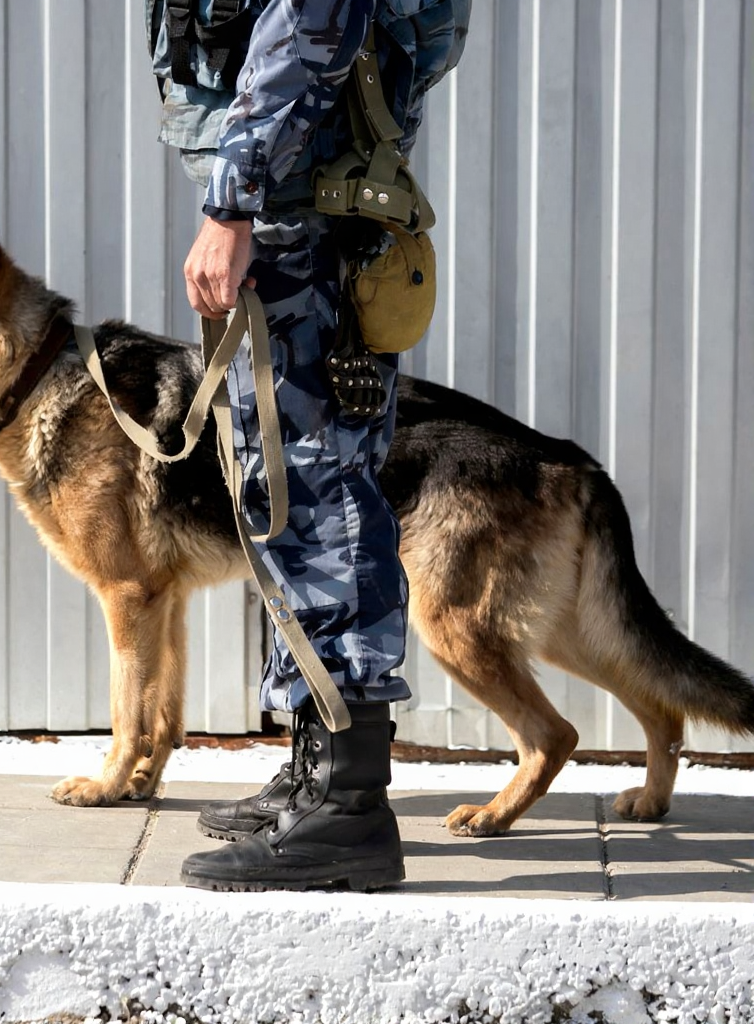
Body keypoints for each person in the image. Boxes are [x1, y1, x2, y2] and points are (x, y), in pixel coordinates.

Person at [146, 0, 470, 891]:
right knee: (291, 494)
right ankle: (313, 770)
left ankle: (345, 810)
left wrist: (235, 196)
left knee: (318, 500)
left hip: (300, 215)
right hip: (311, 205)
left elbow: (312, 23)